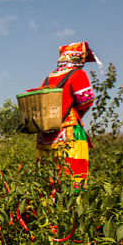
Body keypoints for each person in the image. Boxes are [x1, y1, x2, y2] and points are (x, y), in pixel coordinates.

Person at [35, 41, 98, 187]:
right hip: (69, 130)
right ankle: (72, 206)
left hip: (45, 134)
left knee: (47, 177)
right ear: (77, 59)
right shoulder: (78, 74)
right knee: (71, 175)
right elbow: (86, 101)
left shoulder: (49, 77)